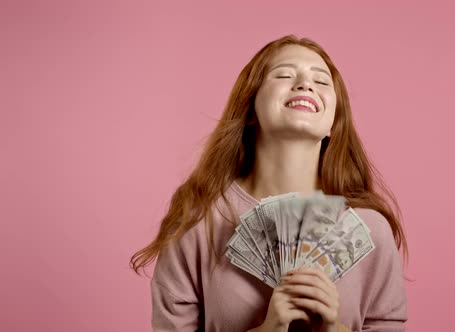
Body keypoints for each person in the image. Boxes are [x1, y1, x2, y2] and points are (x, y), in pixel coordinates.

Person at [130, 34, 409, 332]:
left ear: (333, 122)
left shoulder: (370, 229)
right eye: (285, 74)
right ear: (250, 109)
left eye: (322, 81)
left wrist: (334, 328)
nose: (305, 84)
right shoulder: (199, 218)